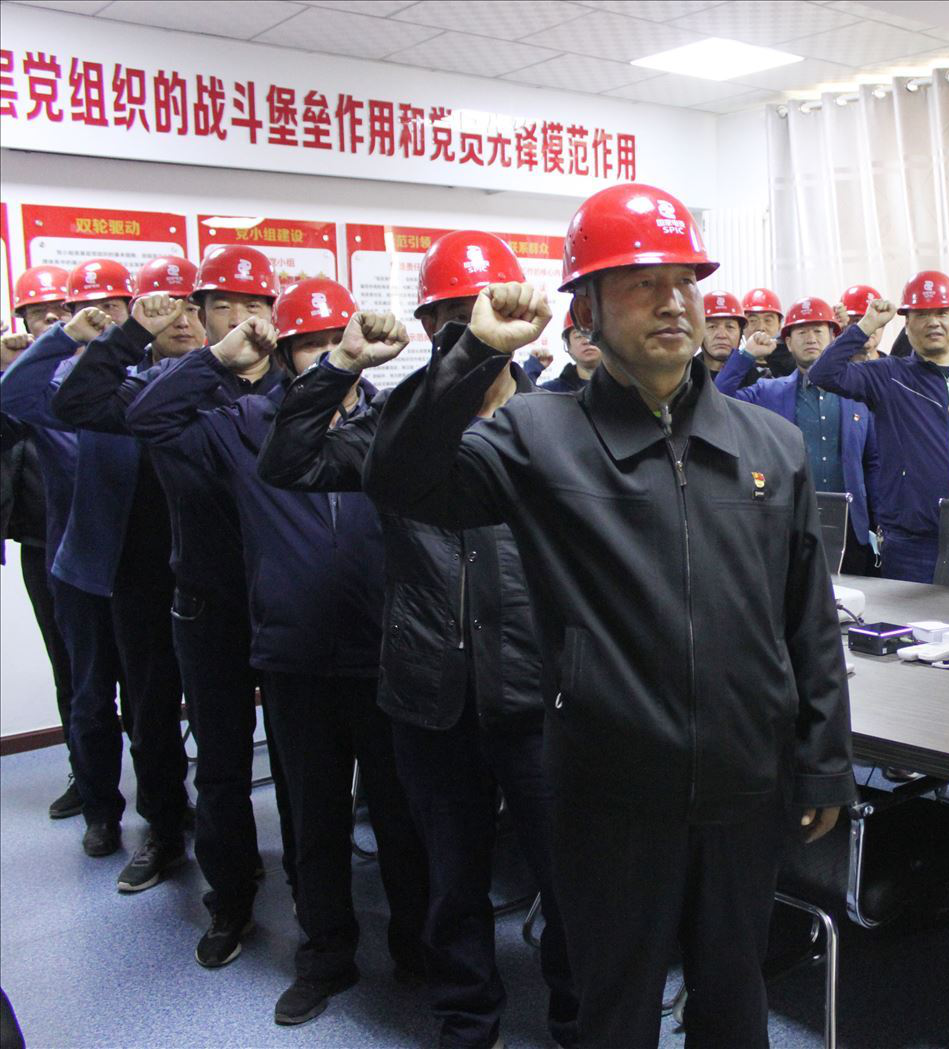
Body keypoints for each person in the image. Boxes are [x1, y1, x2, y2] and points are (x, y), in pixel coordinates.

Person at [364, 183, 855, 1048]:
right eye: (640, 283)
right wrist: (477, 351)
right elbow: (400, 476)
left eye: (685, 282)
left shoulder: (767, 443)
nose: (673, 302)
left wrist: (823, 760)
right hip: (609, 791)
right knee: (614, 1011)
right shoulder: (536, 435)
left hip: (746, 783)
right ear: (585, 311)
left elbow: (807, 617)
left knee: (734, 1001)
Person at [259, 242, 579, 1049]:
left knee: (569, 876)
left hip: (539, 691)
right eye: (451, 320)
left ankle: (582, 1020)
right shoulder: (393, 425)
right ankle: (467, 1019)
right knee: (450, 878)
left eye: (484, 315)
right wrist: (339, 364)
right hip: (429, 689)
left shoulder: (559, 423)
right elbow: (289, 459)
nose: (472, 333)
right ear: (433, 330)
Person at [126, 282, 429, 1025]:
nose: (329, 355)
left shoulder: (391, 420)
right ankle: (325, 955)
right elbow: (147, 417)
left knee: (402, 817)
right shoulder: (246, 425)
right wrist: (218, 359)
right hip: (295, 659)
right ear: (286, 355)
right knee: (313, 823)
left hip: (384, 653)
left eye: (337, 340)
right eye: (311, 345)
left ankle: (418, 950)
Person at [56, 246, 291, 965]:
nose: (240, 318)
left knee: (300, 760)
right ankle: (230, 900)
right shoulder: (172, 387)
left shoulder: (301, 382)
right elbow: (74, 404)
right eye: (222, 305)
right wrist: (134, 333)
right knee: (219, 762)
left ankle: (317, 892)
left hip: (289, 600)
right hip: (204, 602)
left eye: (255, 304)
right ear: (200, 313)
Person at [2, 259, 193, 877]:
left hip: (148, 572)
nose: (104, 316)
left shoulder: (146, 383)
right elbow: (12, 395)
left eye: (115, 306)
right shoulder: (64, 388)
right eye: (92, 308)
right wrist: (64, 338)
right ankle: (100, 812)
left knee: (152, 705)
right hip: (81, 571)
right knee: (88, 700)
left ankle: (164, 818)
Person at [806, 271, 949, 583]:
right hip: (910, 544)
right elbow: (823, 374)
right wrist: (866, 325)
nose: (933, 323)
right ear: (906, 323)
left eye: (942, 313)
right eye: (922, 315)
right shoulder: (888, 375)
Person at [715, 296, 880, 574]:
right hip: (791, 524)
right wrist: (746, 356)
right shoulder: (769, 391)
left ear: (833, 338)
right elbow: (718, 402)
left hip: (853, 528)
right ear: (788, 343)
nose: (810, 338)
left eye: (818, 331)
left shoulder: (857, 394)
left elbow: (873, 462)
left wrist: (879, 521)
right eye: (801, 332)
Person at [1, 265, 77, 819]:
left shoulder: (101, 373)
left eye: (61, 310)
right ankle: (86, 776)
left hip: (116, 541)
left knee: (138, 676)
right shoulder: (19, 383)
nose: (50, 318)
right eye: (37, 312)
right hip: (43, 543)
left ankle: (163, 797)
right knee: (69, 670)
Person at [698, 290, 766, 392]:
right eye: (712, 327)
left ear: (741, 333)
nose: (721, 335)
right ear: (698, 333)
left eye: (730, 327)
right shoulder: (685, 374)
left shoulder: (756, 379)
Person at [541, 301, 599, 394]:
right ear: (568, 346)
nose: (587, 341)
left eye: (592, 334)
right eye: (578, 336)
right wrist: (533, 369)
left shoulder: (622, 388)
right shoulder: (552, 392)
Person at [744, 286, 795, 376]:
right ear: (742, 327)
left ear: (779, 325)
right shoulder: (733, 365)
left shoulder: (794, 363)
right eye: (753, 320)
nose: (761, 328)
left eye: (768, 320)